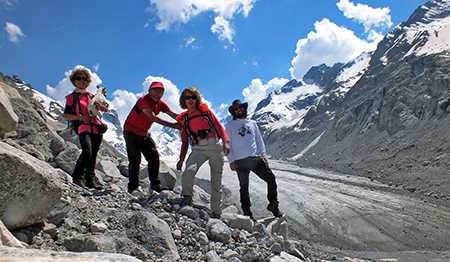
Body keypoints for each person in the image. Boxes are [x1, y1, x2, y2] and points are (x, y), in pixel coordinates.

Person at [176, 87, 230, 218]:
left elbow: (218, 126)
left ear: (197, 99)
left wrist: (226, 142)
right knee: (189, 171)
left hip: (215, 146)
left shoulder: (205, 111)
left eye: (193, 97)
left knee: (216, 180)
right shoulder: (184, 119)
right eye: (187, 97)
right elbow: (184, 141)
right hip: (198, 148)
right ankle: (187, 197)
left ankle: (216, 212)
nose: (190, 100)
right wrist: (181, 159)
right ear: (183, 100)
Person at [225, 99, 283, 220]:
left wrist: (264, 155)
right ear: (233, 111)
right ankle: (247, 213)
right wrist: (231, 160)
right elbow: (227, 144)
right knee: (244, 187)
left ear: (244, 108)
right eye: (236, 108)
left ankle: (273, 205)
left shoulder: (253, 123)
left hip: (254, 158)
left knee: (271, 178)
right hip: (240, 160)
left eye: (240, 107)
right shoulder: (229, 126)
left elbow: (259, 140)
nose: (238, 109)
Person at [123, 81, 183, 194]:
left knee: (154, 157)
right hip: (130, 131)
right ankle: (132, 187)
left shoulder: (160, 104)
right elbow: (153, 117)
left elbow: (174, 115)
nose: (157, 94)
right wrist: (174, 126)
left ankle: (155, 185)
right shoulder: (143, 101)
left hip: (143, 133)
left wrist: (186, 120)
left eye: (160, 92)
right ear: (149, 91)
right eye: (155, 91)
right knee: (135, 160)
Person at [64, 67, 109, 189]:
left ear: (88, 81)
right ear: (74, 80)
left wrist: (101, 107)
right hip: (84, 127)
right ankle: (77, 177)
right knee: (87, 151)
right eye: (78, 78)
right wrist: (80, 117)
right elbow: (66, 114)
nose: (81, 81)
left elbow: (106, 109)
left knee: (93, 154)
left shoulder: (92, 96)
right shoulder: (71, 97)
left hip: (96, 128)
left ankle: (90, 179)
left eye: (84, 78)